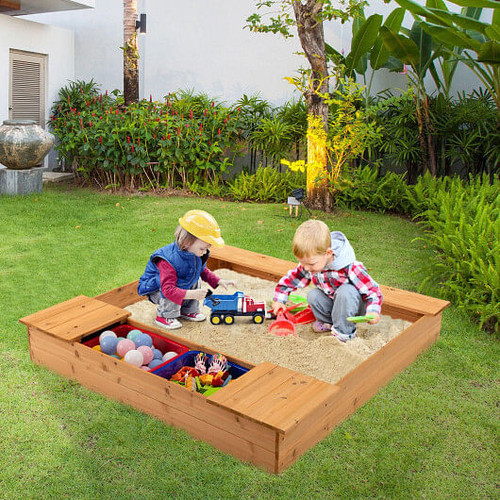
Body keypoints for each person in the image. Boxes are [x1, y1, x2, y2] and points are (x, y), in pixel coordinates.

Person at [272, 219, 383, 342]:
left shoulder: (350, 267)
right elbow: (291, 280)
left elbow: (373, 291)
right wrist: (279, 300)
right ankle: (329, 323)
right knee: (313, 295)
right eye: (303, 263)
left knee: (345, 291)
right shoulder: (312, 262)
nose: (307, 268)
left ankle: (344, 334)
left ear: (328, 253)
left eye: (310, 264)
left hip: (354, 307)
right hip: (334, 304)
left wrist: (373, 312)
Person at [138, 210, 235, 330]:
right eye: (202, 248)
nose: (205, 252)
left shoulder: (193, 252)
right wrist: (192, 294)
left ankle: (188, 310)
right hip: (156, 290)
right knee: (178, 284)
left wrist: (219, 281)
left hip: (172, 287)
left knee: (194, 279)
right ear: (187, 241)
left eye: (206, 249)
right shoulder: (168, 260)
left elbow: (202, 270)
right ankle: (164, 316)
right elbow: (167, 290)